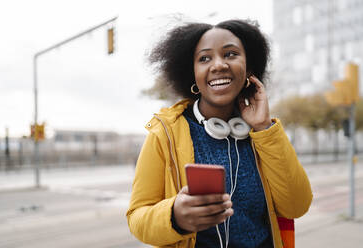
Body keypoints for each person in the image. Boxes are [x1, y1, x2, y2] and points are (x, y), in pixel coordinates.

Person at [126, 19, 312, 248]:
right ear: (192, 73)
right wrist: (174, 216)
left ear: (249, 68)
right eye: (204, 58)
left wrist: (264, 128)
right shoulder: (165, 133)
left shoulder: (264, 132)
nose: (218, 65)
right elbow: (136, 218)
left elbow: (297, 205)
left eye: (231, 54)